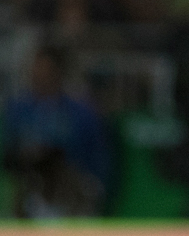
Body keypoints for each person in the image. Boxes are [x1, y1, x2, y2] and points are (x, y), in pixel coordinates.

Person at [2, 46, 111, 218]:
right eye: (36, 70)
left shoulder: (82, 113)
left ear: (58, 73)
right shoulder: (18, 109)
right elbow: (9, 152)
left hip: (72, 187)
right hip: (29, 185)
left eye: (46, 71)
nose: (39, 76)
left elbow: (96, 159)